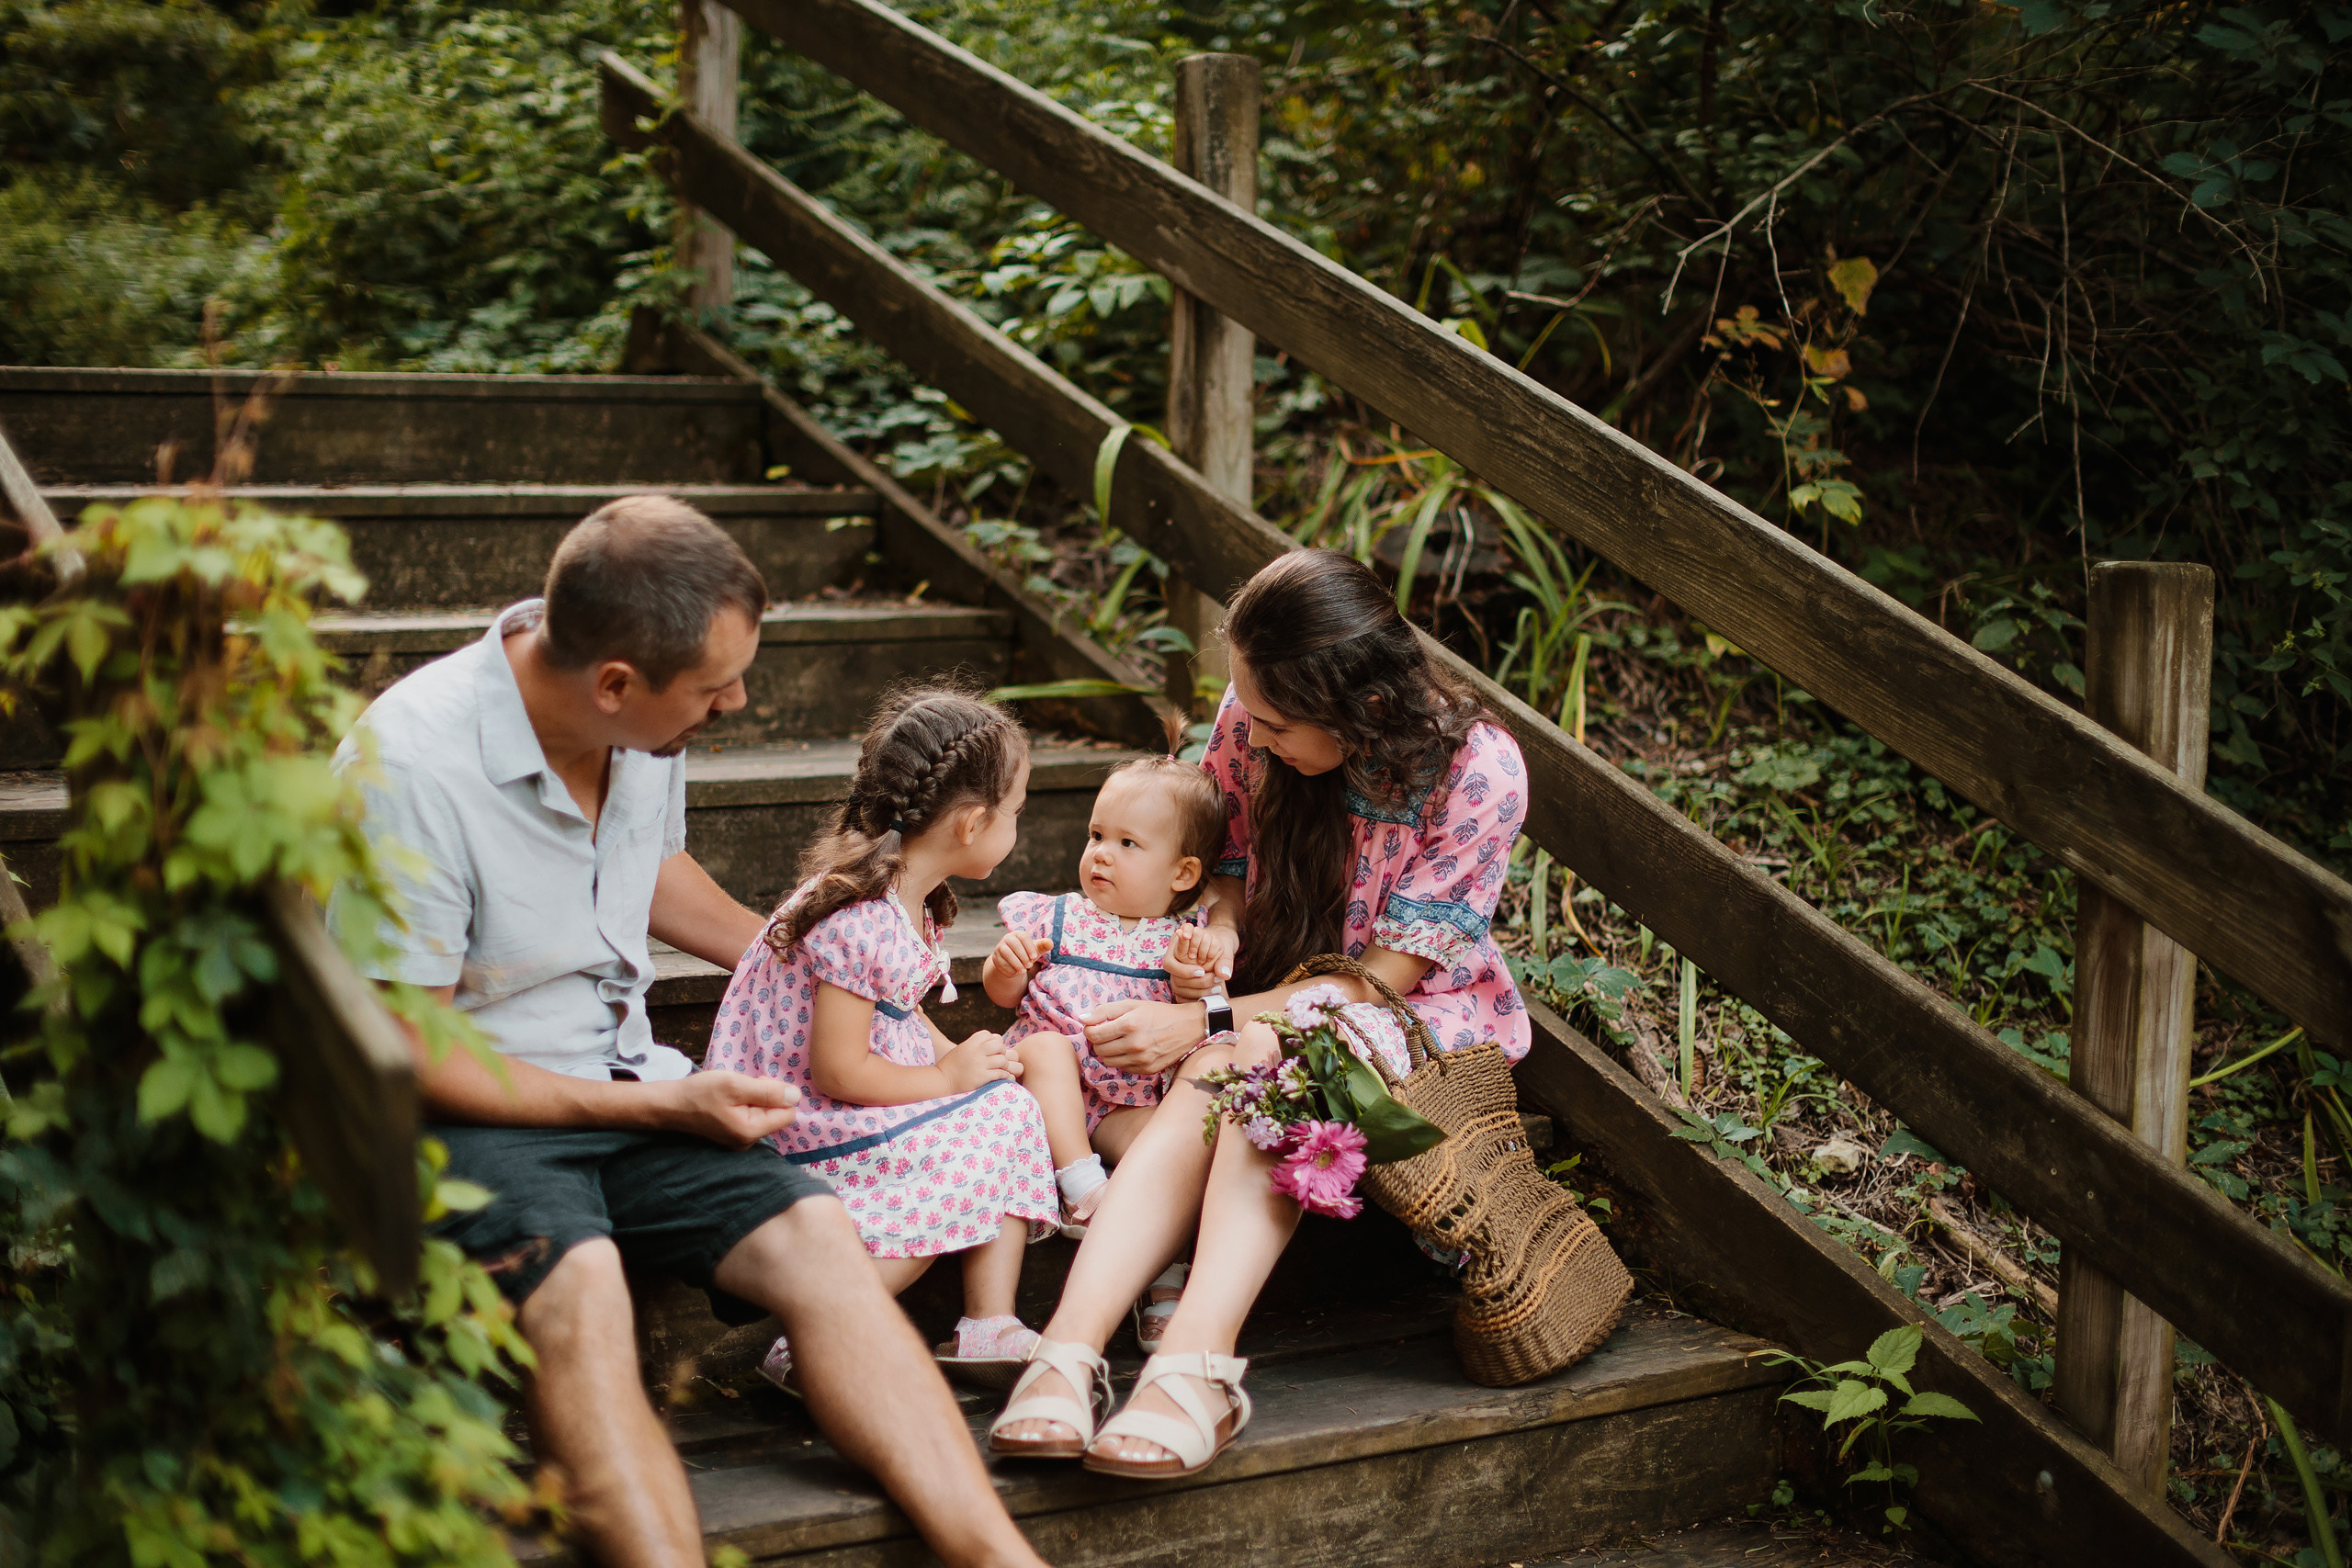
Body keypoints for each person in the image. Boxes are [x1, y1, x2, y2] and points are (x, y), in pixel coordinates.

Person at [329, 496, 1049, 1568]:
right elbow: (415, 1053)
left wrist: (799, 946)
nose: (738, 701)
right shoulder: (412, 769)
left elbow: (655, 875)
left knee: (822, 1241)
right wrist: (659, 1102)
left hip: (631, 1082)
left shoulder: (636, 724)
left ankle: (998, 1558)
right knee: (582, 1293)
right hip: (474, 1108)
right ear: (614, 681)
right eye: (715, 689)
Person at [986, 547, 1528, 1480]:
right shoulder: (1252, 714)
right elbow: (1226, 861)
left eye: (1273, 723)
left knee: (1268, 1054)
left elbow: (1378, 982)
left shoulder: (1478, 769)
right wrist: (1223, 936)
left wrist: (1210, 1021)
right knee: (1237, 1055)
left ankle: (1196, 1364)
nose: (1248, 730)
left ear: (1357, 709)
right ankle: (1066, 1351)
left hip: (1411, 1014)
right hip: (1265, 993)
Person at [701, 686, 1066, 1390]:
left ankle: (988, 1323)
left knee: (1005, 1104)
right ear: (970, 823)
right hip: (803, 1122)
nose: (1017, 824)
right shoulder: (861, 913)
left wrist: (957, 1058)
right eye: (1015, 811)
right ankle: (816, 1333)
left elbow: (895, 1014)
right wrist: (947, 1079)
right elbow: (837, 1068)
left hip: (841, 1101)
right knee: (1002, 1117)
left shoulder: (904, 894)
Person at [982, 755, 1230, 1234]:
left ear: (1182, 874)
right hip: (1050, 1089)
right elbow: (1005, 997)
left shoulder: (1186, 938)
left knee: (1173, 1151)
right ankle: (1082, 1186)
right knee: (1045, 1048)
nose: (1102, 853)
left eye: (1128, 843)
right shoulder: (1054, 917)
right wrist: (1004, 967)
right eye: (1096, 835)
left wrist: (1192, 982)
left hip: (1126, 1102)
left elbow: (1209, 1016)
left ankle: (1165, 1278)